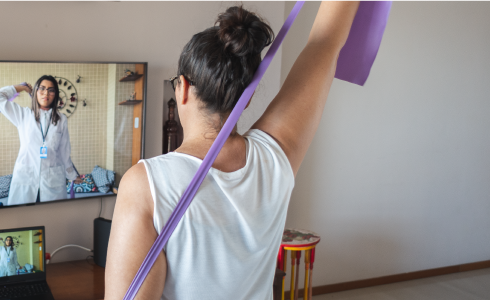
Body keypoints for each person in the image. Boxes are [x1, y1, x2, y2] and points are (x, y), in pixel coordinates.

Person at [105, 2, 361, 299]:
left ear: (183, 88)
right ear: (247, 99)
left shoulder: (145, 184)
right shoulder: (275, 158)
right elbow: (325, 42)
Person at [0, 75, 81, 205]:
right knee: (25, 220)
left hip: (52, 180)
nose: (46, 93)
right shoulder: (23, 115)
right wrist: (21, 88)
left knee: (52, 219)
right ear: (35, 92)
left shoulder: (61, 119)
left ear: (55, 94)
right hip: (26, 178)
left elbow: (64, 151)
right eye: (42, 88)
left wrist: (72, 175)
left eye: (51, 90)